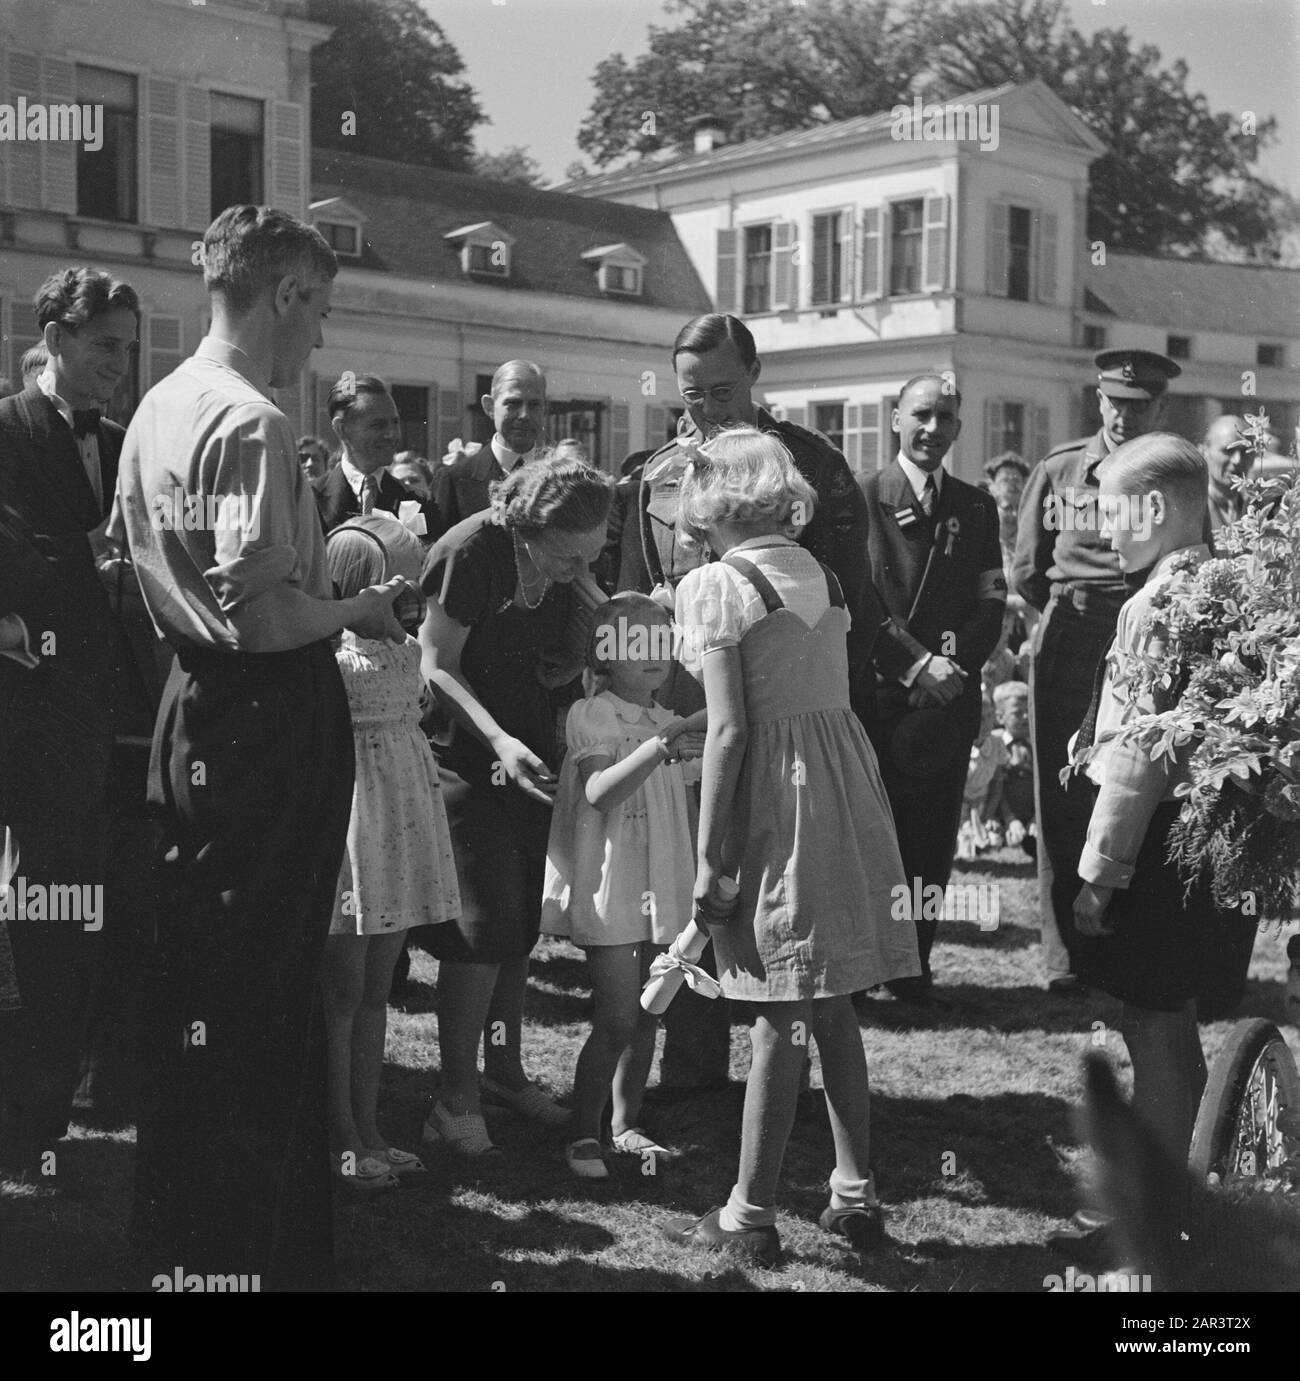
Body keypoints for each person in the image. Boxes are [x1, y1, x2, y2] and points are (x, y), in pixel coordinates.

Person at [117, 204, 407, 1291]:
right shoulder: (248, 421)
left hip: (194, 710)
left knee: (199, 985)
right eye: (321, 309)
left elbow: (153, 589)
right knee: (262, 993)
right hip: (264, 720)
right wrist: (362, 607)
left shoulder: (156, 407)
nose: (320, 338)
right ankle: (253, 1253)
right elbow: (264, 616)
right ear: (284, 293)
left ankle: (185, 1244)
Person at [606, 312, 916, 1089]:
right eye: (691, 394)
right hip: (685, 693)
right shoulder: (657, 471)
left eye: (721, 390)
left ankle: (786, 1059)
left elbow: (856, 594)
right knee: (694, 870)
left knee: (779, 884)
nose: (706, 409)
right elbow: (629, 591)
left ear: (754, 373)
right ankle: (696, 1065)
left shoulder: (808, 462)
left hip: (782, 700)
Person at [661, 427, 919, 1265]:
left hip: (776, 799)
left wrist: (709, 858)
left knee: (778, 1009)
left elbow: (733, 731)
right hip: (844, 792)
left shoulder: (716, 584)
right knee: (831, 998)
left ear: (711, 507)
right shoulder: (825, 573)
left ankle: (751, 1213)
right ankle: (853, 1192)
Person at [1065, 434, 1254, 1259]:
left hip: (1157, 844)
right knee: (1177, 1028)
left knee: (1150, 1036)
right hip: (1213, 842)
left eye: (1113, 510)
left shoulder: (1154, 604)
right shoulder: (1234, 585)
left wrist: (1100, 874)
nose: (1104, 529)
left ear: (1162, 506)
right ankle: (1196, 1193)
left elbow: (1141, 753)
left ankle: (1156, 1219)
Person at [417, 455, 612, 1155]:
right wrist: (497, 739)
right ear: (530, 525)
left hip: (532, 755)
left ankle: (501, 1072)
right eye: (571, 555)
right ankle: (453, 1098)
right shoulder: (471, 550)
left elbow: (568, 650)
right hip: (465, 757)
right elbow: (436, 663)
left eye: (594, 552)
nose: (582, 567)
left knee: (520, 926)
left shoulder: (564, 564)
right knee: (482, 926)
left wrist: (580, 634)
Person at [0, 266, 140, 1174]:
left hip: (110, 714)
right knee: (33, 915)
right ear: (53, 336)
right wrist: (92, 553)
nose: (119, 369)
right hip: (25, 716)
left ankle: (67, 1101)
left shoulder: (126, 439)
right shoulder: (5, 430)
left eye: (128, 351)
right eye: (103, 348)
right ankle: (26, 1123)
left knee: (93, 915)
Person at [1012, 348, 1180, 996]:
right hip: (1073, 636)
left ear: (1159, 408)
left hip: (1147, 640)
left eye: (1140, 407)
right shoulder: (1059, 470)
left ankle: (1120, 942)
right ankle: (1064, 957)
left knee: (1132, 791)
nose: (1125, 417)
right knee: (1061, 797)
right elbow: (1028, 570)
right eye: (1115, 403)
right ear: (1098, 399)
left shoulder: (1174, 474)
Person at [542, 594, 705, 1179]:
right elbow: (600, 793)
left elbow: (689, 805)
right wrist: (661, 749)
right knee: (614, 1017)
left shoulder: (670, 722)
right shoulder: (594, 715)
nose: (653, 653)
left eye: (663, 639)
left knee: (646, 1013)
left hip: (663, 881)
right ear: (605, 655)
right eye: (635, 641)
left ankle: (624, 1123)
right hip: (611, 882)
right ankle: (582, 1133)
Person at [321, 515, 460, 1191]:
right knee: (343, 988)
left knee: (377, 986)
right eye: (396, 590)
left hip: (399, 817)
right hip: (355, 819)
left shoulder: (405, 647)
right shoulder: (330, 657)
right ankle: (339, 1133)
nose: (409, 604)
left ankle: (369, 1126)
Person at [861, 374, 1006, 1000]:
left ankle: (913, 967)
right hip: (879, 695)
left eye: (946, 418)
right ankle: (864, 966)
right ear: (896, 418)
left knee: (931, 836)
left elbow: (991, 604)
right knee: (872, 836)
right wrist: (916, 665)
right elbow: (860, 600)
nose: (932, 429)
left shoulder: (977, 506)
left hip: (947, 700)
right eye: (921, 415)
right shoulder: (862, 498)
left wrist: (952, 670)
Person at [430, 360, 548, 538]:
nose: (524, 415)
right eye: (513, 404)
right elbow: (437, 556)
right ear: (490, 407)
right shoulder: (453, 480)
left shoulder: (560, 478)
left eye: (534, 405)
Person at [315, 375, 441, 538]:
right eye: (378, 425)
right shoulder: (310, 499)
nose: (392, 434)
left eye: (395, 422)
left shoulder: (420, 502)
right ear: (341, 428)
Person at [1199, 415, 1251, 532]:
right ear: (1204, 452)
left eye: (1245, 452)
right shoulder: (1190, 509)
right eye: (1228, 451)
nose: (1237, 460)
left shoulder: (1257, 508)